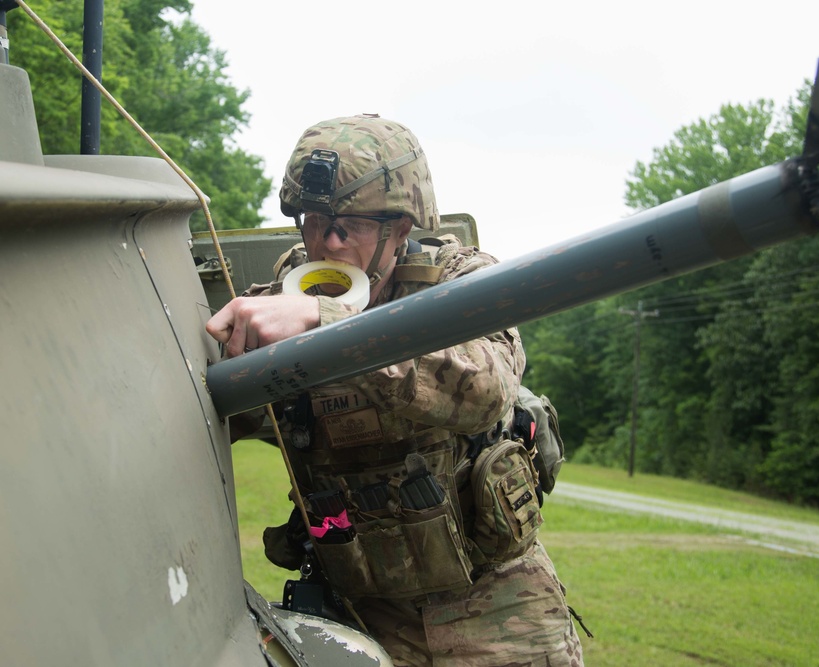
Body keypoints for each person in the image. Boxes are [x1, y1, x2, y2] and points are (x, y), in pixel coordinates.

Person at [206, 114, 584, 666]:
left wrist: (325, 323)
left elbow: (485, 386)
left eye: (348, 226)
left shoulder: (460, 279)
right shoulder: (279, 297)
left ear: (401, 227)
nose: (325, 243)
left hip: (497, 606)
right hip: (362, 616)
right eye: (313, 221)